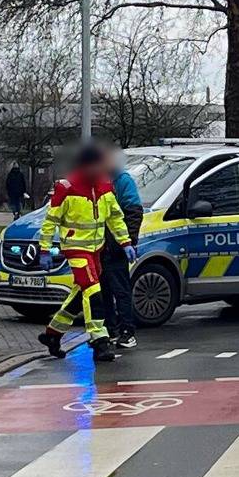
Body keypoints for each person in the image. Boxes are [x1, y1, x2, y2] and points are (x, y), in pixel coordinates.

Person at [36, 144, 135, 362]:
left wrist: (125, 242)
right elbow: (50, 221)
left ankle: (52, 335)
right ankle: (99, 341)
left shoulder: (105, 186)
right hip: (76, 250)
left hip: (96, 251)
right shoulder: (67, 187)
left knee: (79, 296)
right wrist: (44, 250)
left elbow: (115, 217)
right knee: (93, 292)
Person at [100, 147, 145, 349]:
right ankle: (110, 329)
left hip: (115, 247)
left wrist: (127, 242)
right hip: (99, 248)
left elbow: (133, 212)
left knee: (120, 290)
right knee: (104, 291)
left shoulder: (122, 181)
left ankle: (127, 331)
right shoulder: (101, 181)